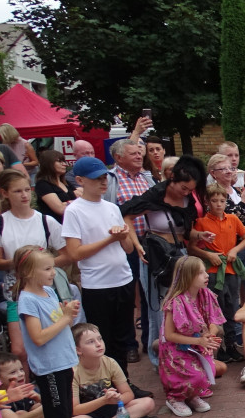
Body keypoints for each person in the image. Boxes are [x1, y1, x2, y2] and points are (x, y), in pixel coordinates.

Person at [121, 156, 206, 372]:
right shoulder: (155, 195)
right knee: (159, 308)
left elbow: (185, 232)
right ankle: (160, 358)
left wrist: (200, 234)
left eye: (190, 190)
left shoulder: (189, 200)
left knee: (185, 305)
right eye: (184, 188)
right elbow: (127, 215)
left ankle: (182, 353)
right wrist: (136, 244)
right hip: (156, 258)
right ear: (173, 178)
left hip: (180, 257)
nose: (186, 193)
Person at [63, 157, 138, 391]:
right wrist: (110, 239)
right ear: (80, 180)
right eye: (97, 179)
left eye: (105, 177)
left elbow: (127, 249)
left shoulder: (112, 207)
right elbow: (75, 253)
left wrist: (123, 236)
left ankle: (124, 382)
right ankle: (106, 386)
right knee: (101, 339)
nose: (103, 182)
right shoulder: (74, 211)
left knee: (123, 336)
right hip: (97, 284)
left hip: (122, 279)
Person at [13, 245, 86, 418]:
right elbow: (38, 337)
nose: (53, 273)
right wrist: (65, 318)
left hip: (63, 362)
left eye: (52, 267)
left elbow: (56, 322)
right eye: (47, 269)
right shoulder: (27, 300)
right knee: (55, 416)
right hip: (49, 368)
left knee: (64, 413)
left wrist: (66, 312)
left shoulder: (49, 292)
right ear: (28, 272)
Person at [0, 169, 70, 370]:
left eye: (27, 190)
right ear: (5, 193)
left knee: (50, 339)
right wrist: (24, 262)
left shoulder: (45, 220)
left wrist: (43, 266)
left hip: (45, 290)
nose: (24, 195)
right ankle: (25, 394)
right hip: (14, 289)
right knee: (19, 350)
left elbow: (67, 255)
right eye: (17, 191)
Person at [105, 138, 156, 364]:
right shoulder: (110, 180)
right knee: (128, 296)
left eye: (139, 153)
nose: (139, 156)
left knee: (149, 294)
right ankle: (129, 344)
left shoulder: (146, 178)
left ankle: (148, 338)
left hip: (149, 243)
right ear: (118, 157)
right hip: (123, 245)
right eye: (133, 153)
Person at [158, 256, 227, 417]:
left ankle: (191, 395)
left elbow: (213, 322)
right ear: (188, 277)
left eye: (205, 271)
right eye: (200, 273)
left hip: (197, 345)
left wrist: (209, 336)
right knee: (197, 376)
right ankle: (174, 398)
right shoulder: (175, 302)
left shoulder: (206, 294)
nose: (207, 275)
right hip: (176, 348)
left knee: (207, 373)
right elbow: (169, 335)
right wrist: (198, 340)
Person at [191, 183, 245, 360]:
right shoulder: (201, 222)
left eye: (222, 201)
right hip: (212, 270)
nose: (218, 204)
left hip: (230, 268)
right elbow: (191, 248)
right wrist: (207, 255)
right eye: (214, 201)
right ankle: (219, 346)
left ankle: (231, 345)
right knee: (214, 307)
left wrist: (234, 250)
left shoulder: (232, 219)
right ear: (207, 202)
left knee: (232, 305)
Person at [70, 323, 160, 418]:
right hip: (89, 413)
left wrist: (117, 399)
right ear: (78, 350)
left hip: (113, 409)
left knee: (148, 403)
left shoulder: (110, 362)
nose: (98, 344)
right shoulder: (73, 371)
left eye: (100, 339)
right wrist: (103, 401)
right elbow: (75, 409)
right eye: (90, 342)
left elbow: (128, 394)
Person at [206, 152, 245, 301]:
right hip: (230, 248)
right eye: (223, 169)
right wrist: (243, 202)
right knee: (232, 293)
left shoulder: (237, 189)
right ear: (213, 173)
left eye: (230, 168)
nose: (229, 171)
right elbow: (225, 217)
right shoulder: (214, 193)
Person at [34, 150, 76, 222]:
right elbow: (60, 209)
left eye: (64, 161)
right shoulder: (42, 184)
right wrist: (74, 202)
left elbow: (83, 197)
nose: (64, 164)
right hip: (55, 226)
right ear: (48, 163)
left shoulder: (66, 183)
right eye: (60, 161)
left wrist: (66, 203)